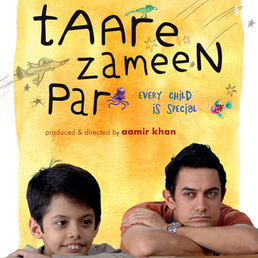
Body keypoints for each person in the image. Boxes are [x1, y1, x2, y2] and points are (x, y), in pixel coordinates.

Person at [120, 143, 258, 257]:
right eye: (189, 194)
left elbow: (254, 243)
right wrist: (225, 248)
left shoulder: (228, 215)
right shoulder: (146, 213)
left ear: (222, 196)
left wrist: (168, 228)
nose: (201, 206)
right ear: (169, 199)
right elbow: (144, 246)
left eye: (211, 194)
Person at [8, 163, 133, 258]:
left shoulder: (106, 253)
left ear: (96, 226)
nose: (75, 233)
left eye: (86, 222)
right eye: (62, 223)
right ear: (36, 229)